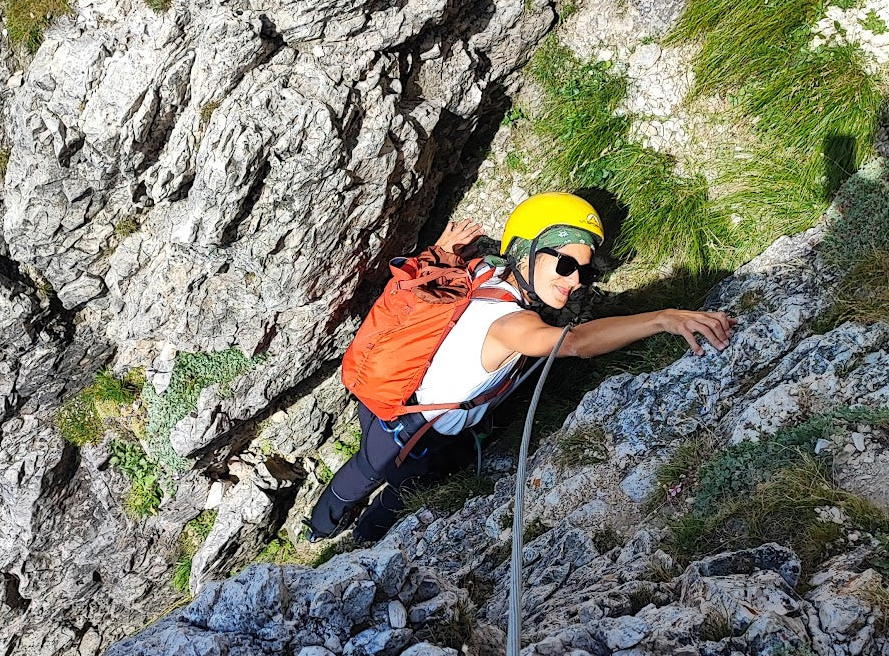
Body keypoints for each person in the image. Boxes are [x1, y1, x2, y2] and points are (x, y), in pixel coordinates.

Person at [305, 192, 736, 543]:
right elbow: (578, 343)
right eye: (565, 265)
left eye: (584, 273)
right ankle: (350, 541)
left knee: (371, 472)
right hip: (412, 434)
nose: (574, 282)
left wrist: (444, 248)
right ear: (527, 252)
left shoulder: (485, 272)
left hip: (396, 406)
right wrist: (661, 319)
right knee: (385, 485)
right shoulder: (511, 324)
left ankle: (327, 524)